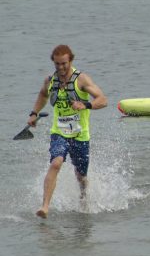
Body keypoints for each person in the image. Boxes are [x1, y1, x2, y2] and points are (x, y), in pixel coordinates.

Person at [27, 45, 107, 219]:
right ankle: (45, 207)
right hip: (59, 132)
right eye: (57, 64)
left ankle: (84, 198)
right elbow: (42, 95)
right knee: (56, 163)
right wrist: (34, 113)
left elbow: (103, 100)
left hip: (80, 134)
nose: (61, 68)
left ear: (70, 60)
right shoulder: (50, 81)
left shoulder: (82, 80)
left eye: (64, 63)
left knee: (81, 176)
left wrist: (85, 105)